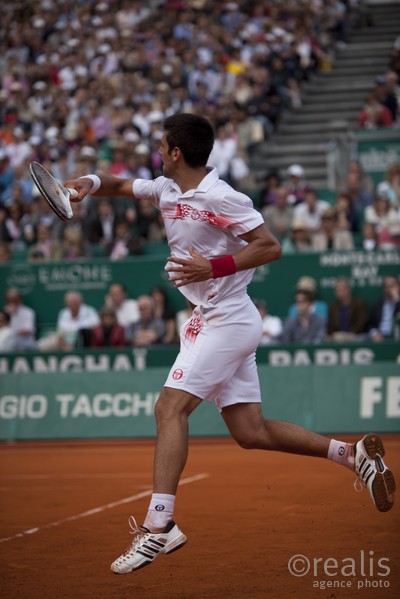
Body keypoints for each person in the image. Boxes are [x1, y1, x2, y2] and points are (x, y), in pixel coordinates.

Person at [65, 112, 395, 575]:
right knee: (249, 432)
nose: (157, 152)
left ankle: (159, 528)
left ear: (177, 153)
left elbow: (270, 245)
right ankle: (353, 455)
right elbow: (119, 186)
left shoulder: (223, 197)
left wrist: (212, 268)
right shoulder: (166, 188)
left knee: (168, 409)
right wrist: (85, 182)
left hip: (228, 319)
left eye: (162, 146)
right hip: (210, 320)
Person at [327, 277, 370, 341]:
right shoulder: (332, 306)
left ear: (349, 290)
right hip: (338, 336)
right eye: (338, 290)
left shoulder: (360, 304)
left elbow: (361, 323)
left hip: (356, 335)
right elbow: (331, 326)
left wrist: (348, 334)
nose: (340, 292)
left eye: (342, 289)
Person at [368, 275, 400, 342]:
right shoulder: (378, 304)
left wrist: (396, 299)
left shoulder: (398, 302)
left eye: (393, 286)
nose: (390, 289)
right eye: (387, 286)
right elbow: (371, 324)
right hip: (380, 336)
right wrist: (375, 334)